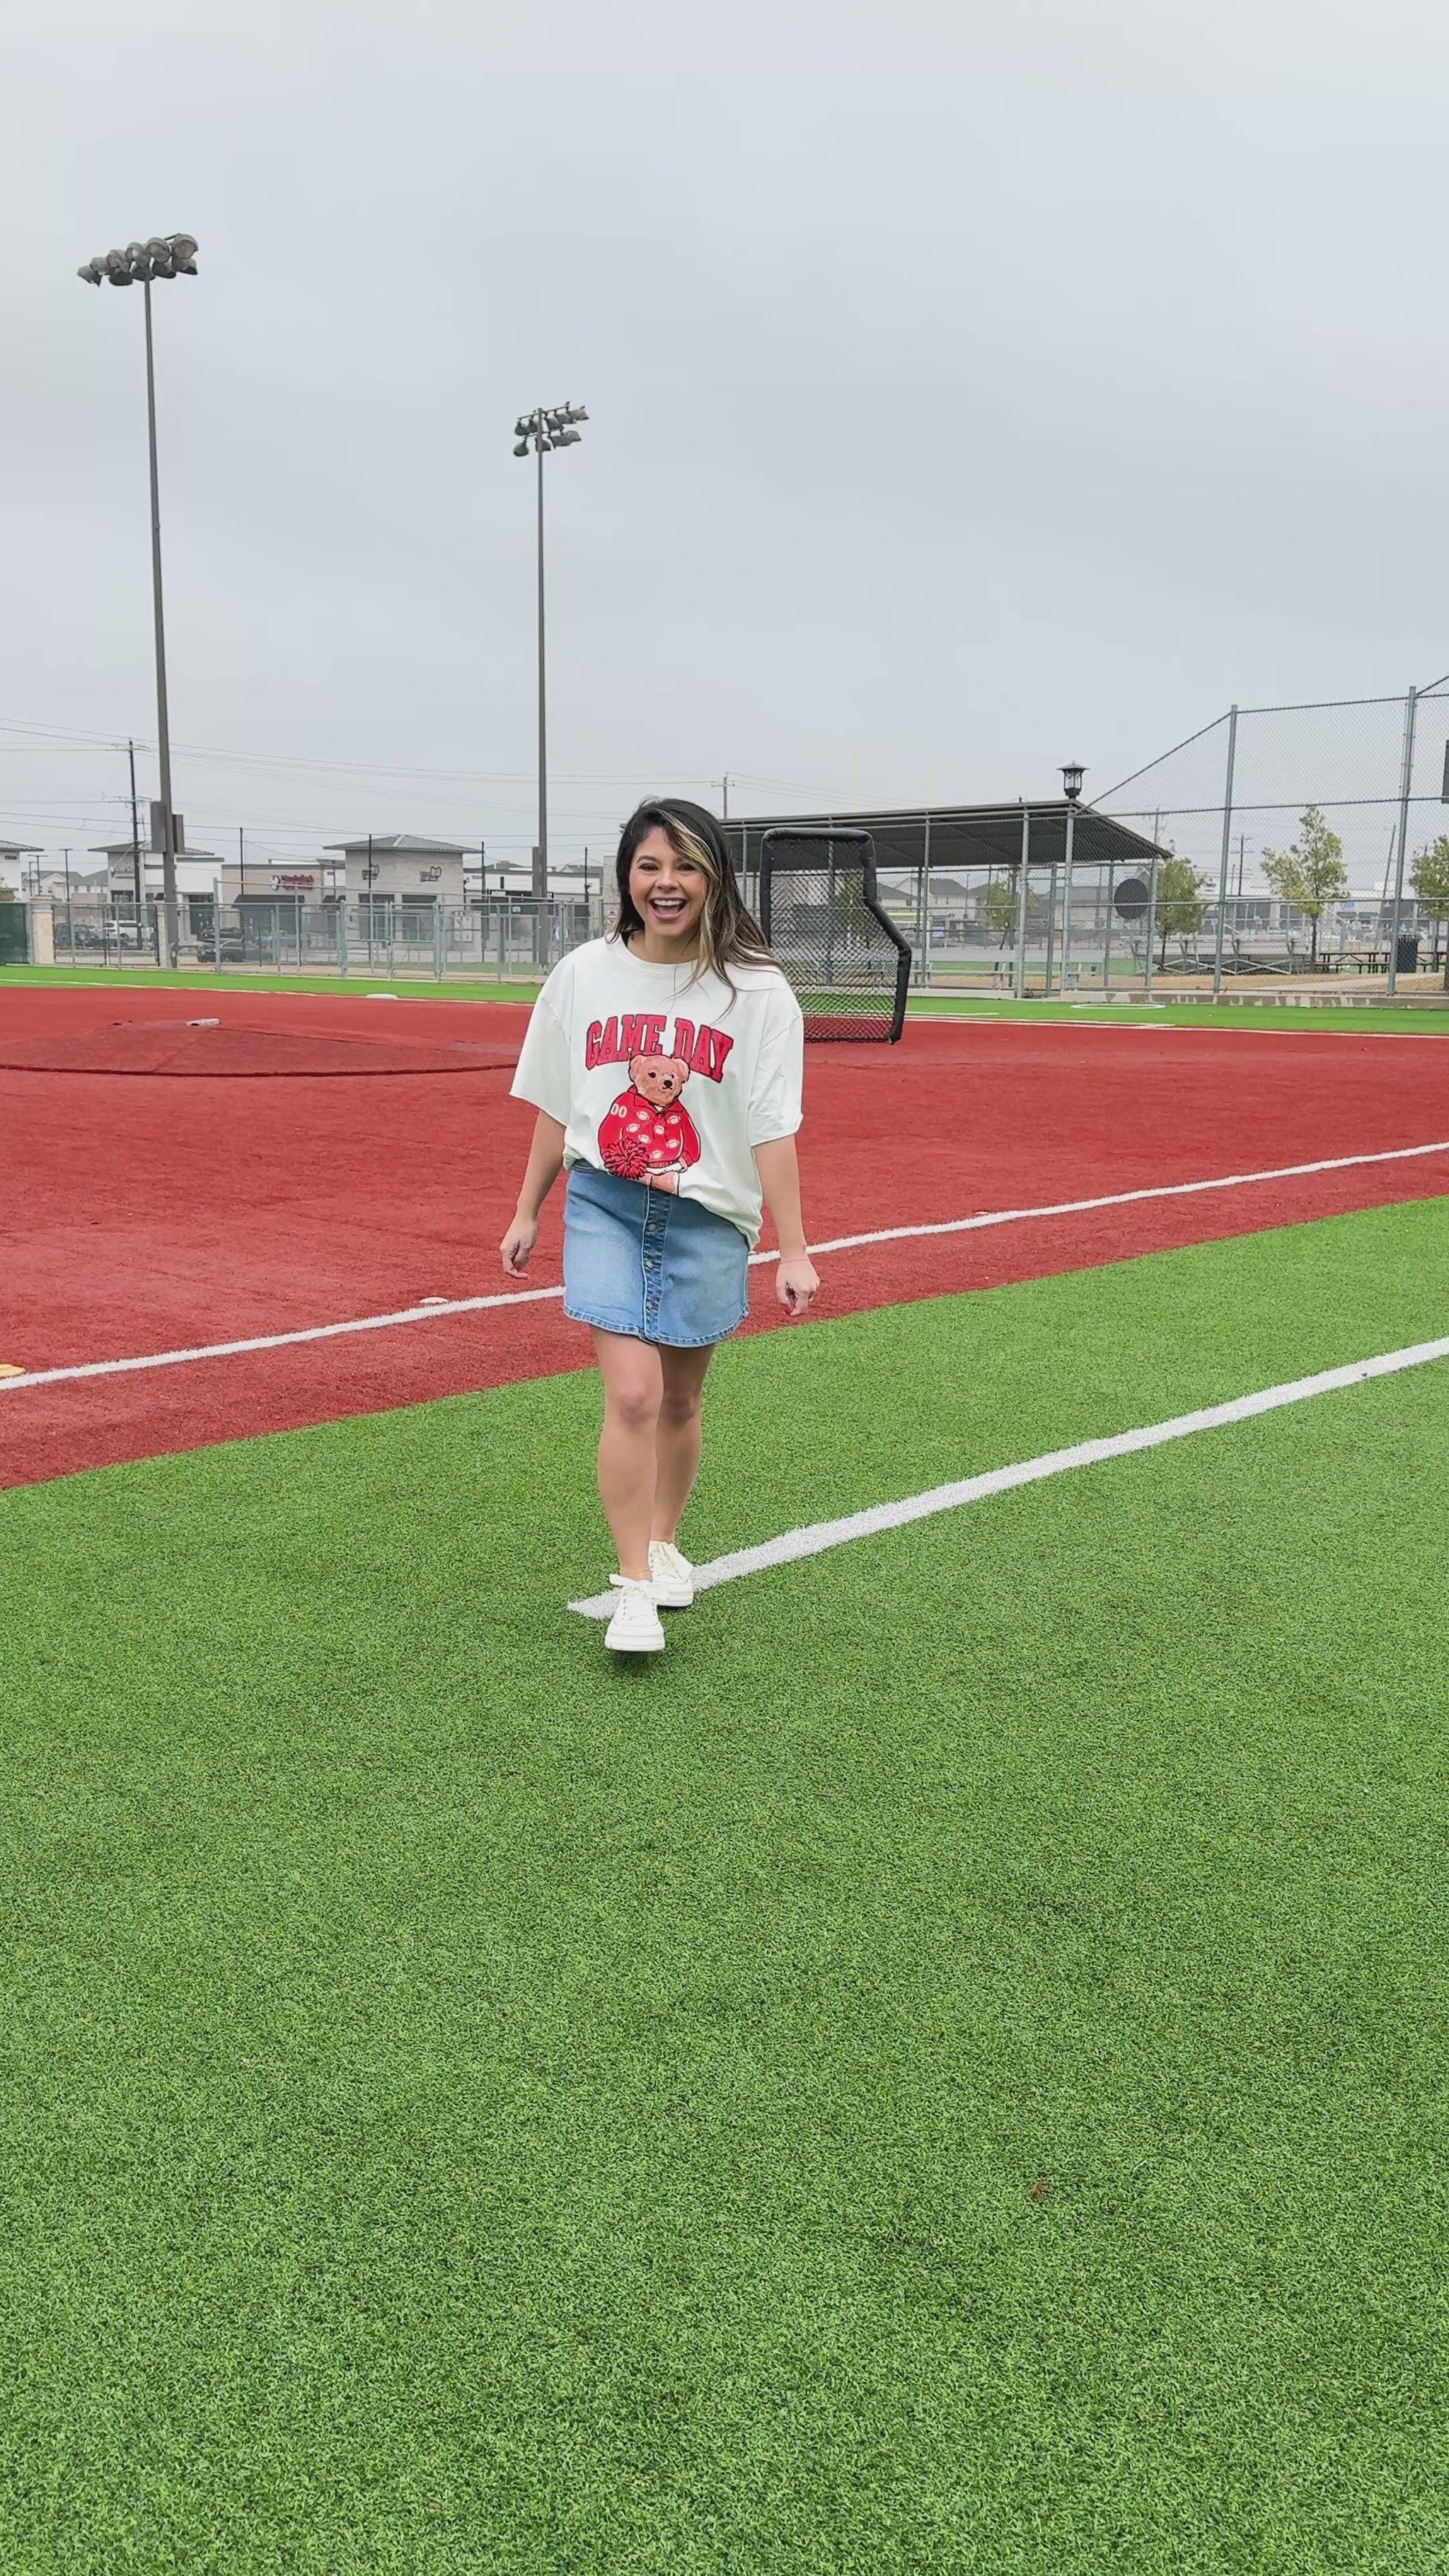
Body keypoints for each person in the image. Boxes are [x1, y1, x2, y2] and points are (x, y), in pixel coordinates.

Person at [502, 797, 818, 1653]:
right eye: (649, 865)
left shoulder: (757, 990)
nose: (665, 883)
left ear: (713, 877)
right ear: (626, 876)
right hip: (604, 1202)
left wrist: (793, 1247)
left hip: (708, 1215)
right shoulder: (582, 973)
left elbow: (771, 1124)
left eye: (684, 865)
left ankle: (665, 1542)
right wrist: (528, 1207)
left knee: (680, 1397)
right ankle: (634, 1584)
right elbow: (556, 1102)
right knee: (633, 1393)